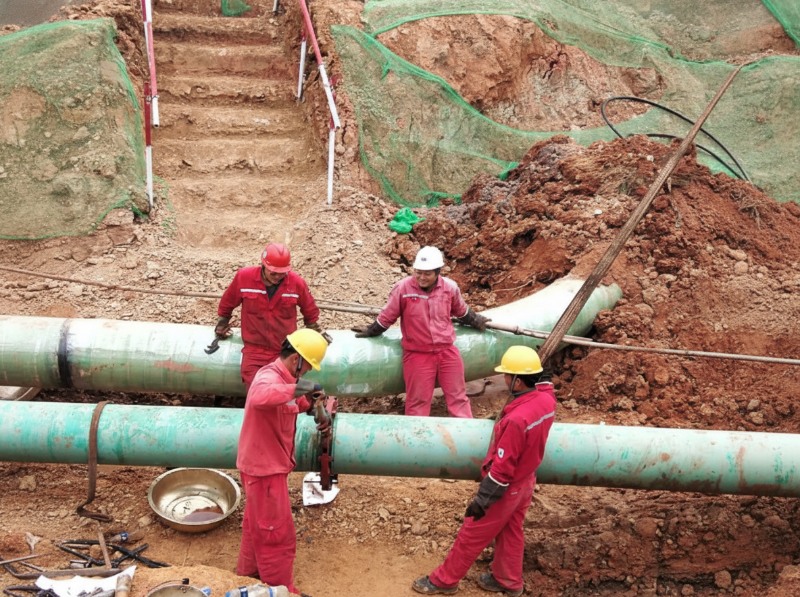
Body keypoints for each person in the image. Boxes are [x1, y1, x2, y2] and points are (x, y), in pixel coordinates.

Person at [412, 345, 557, 596]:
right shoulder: (546, 400)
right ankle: (508, 581)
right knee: (512, 531)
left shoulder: (516, 420)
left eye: (508, 376)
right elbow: (546, 385)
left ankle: (444, 581)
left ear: (519, 382)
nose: (504, 379)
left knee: (473, 531)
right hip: (526, 482)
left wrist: (483, 500)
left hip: (507, 486)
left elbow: (502, 470)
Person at [235, 328, 331, 597]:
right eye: (307, 368)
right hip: (265, 469)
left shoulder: (284, 377)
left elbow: (293, 403)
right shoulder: (268, 376)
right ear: (295, 360)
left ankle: (247, 573)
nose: (307, 374)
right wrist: (300, 387)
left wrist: (313, 405)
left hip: (264, 464)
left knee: (256, 523)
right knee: (276, 533)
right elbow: (260, 396)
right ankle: (279, 589)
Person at [352, 245, 490, 418]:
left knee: (458, 398)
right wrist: (372, 330)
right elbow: (388, 315)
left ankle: (466, 436)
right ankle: (417, 440)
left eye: (427, 274)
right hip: (418, 354)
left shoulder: (449, 288)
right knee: (418, 402)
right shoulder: (403, 289)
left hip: (446, 351)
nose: (421, 277)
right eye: (418, 272)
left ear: (438, 272)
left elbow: (461, 311)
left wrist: (475, 320)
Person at [215, 242, 329, 390]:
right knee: (258, 391)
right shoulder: (245, 278)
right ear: (263, 265)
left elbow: (310, 310)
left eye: (282, 273)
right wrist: (222, 323)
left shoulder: (296, 283)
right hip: (254, 350)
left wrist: (315, 332)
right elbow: (228, 302)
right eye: (273, 272)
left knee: (285, 391)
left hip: (283, 351)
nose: (277, 277)